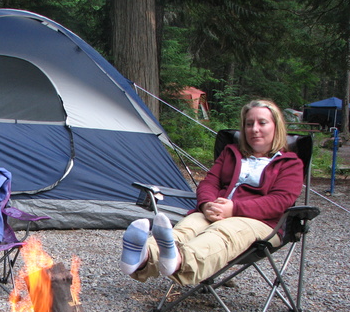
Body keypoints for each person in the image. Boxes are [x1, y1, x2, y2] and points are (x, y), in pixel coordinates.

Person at [120, 99, 305, 286]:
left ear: (276, 127)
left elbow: (280, 201)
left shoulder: (290, 164)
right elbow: (210, 182)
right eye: (249, 124)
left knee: (222, 232)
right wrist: (207, 204)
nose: (254, 129)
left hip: (260, 222)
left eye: (262, 123)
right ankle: (143, 257)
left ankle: (178, 261)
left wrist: (235, 209)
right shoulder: (231, 153)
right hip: (216, 210)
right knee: (187, 228)